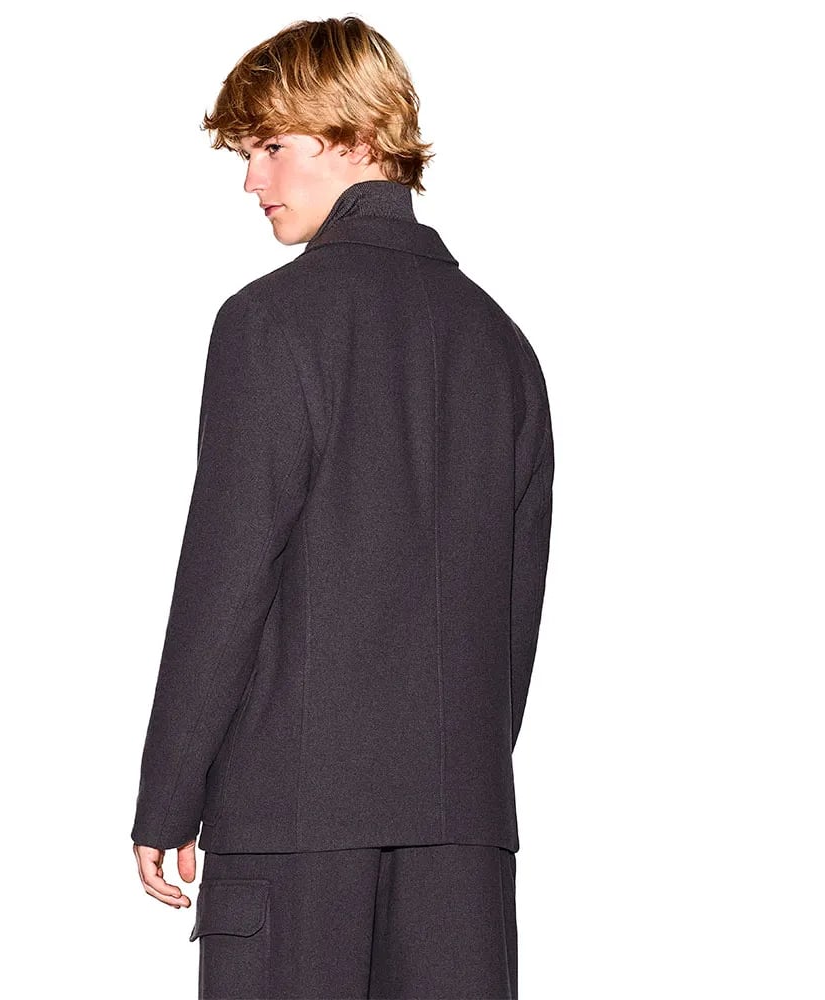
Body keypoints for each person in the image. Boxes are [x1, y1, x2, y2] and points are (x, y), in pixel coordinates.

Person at [130, 16, 554, 1000]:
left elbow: (227, 580)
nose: (251, 181)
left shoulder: (270, 323)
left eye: (271, 147)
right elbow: (513, 619)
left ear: (358, 135)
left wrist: (169, 794)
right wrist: (454, 774)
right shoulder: (502, 346)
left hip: (292, 831)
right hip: (463, 839)